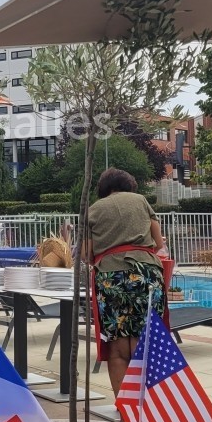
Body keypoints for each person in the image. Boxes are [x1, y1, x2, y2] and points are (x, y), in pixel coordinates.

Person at [85, 167, 165, 395]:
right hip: (145, 273)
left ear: (105, 188)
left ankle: (125, 405)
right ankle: (149, 404)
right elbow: (158, 243)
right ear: (128, 184)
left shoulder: (93, 209)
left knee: (117, 347)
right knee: (147, 341)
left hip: (110, 277)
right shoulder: (140, 201)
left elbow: (86, 255)